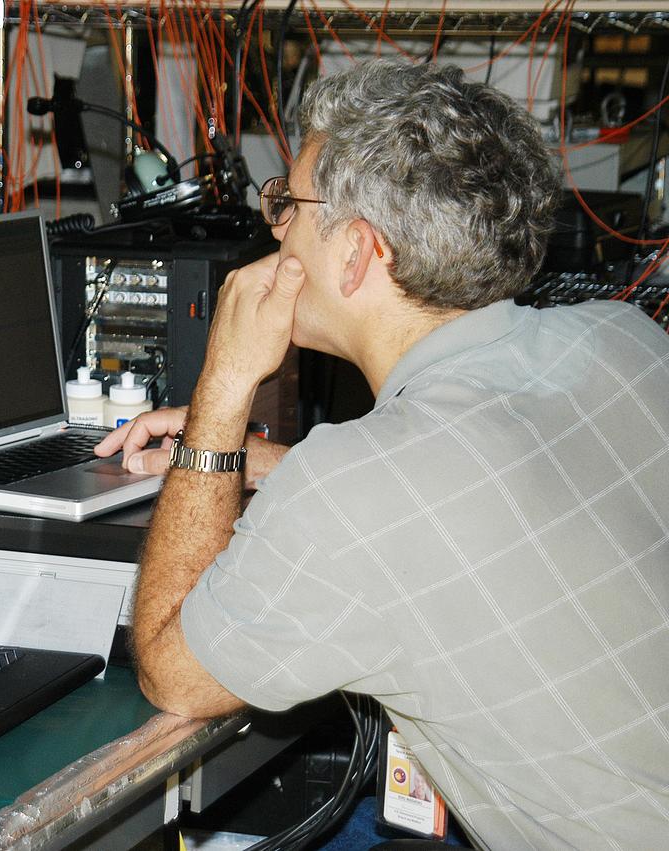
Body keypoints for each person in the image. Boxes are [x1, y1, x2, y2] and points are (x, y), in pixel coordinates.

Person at [95, 58, 669, 848]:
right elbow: (485, 490)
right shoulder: (623, 339)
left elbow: (173, 670)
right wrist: (261, 463)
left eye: (288, 205)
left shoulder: (358, 488)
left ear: (358, 252)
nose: (276, 227)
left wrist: (222, 392)